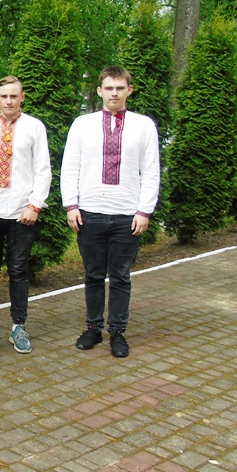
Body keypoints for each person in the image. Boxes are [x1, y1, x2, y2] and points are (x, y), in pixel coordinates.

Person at [61, 66, 160, 359]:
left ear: (129, 90)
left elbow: (151, 171)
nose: (114, 93)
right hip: (90, 212)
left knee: (120, 276)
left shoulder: (144, 126)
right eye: (109, 88)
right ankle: (93, 328)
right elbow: (70, 166)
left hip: (126, 214)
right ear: (99, 91)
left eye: (119, 88)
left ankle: (117, 332)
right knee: (93, 274)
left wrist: (145, 210)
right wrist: (71, 205)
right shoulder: (82, 124)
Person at [0, 76, 52, 354]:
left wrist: (34, 205)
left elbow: (43, 169)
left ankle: (19, 326)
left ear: (22, 97)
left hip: (21, 212)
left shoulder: (34, 127)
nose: (8, 101)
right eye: (4, 96)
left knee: (18, 269)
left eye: (14, 96)